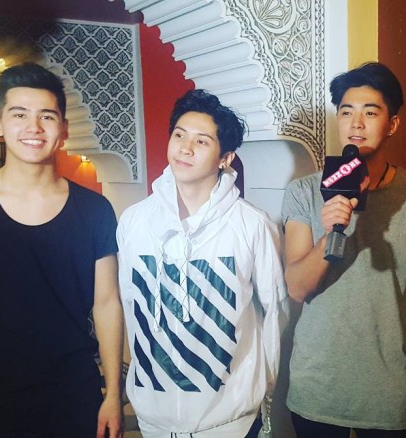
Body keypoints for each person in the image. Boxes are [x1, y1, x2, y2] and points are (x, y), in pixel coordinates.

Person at [0, 63, 124, 437]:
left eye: (46, 116)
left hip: (71, 393)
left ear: (64, 129)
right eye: (19, 115)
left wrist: (112, 394)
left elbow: (107, 303)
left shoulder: (95, 210)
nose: (34, 127)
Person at [282, 62, 406, 437]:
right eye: (346, 112)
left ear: (392, 124)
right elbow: (296, 287)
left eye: (370, 113)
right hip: (317, 384)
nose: (356, 124)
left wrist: (385, 324)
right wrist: (330, 232)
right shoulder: (303, 192)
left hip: (387, 388)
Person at [116, 89, 288, 438]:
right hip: (153, 421)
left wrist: (262, 389)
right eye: (179, 135)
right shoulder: (133, 221)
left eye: (201, 141)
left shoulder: (253, 225)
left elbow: (275, 312)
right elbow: (129, 306)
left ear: (225, 158)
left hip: (231, 422)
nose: (185, 148)